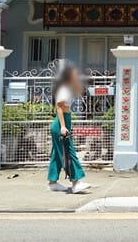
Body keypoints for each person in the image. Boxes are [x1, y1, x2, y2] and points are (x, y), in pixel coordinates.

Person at [47, 66, 90, 194]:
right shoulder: (64, 89)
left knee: (57, 153)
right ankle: (76, 182)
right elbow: (59, 107)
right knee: (69, 152)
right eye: (74, 74)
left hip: (64, 121)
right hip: (61, 123)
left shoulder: (67, 88)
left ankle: (52, 182)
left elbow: (79, 89)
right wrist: (63, 126)